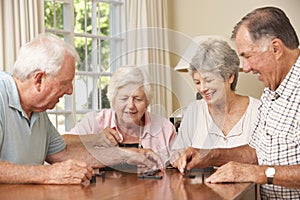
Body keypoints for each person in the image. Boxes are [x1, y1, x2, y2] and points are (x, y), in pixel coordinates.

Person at [171, 6, 300, 199]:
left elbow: (258, 167)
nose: (245, 68)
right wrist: (209, 156)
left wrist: (256, 173)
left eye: (248, 56)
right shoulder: (270, 92)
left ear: (276, 48)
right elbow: (257, 151)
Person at [0, 34, 163, 184]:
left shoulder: (38, 112)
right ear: (39, 79)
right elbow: (52, 169)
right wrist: (47, 174)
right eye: (64, 84)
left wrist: (127, 155)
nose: (70, 91)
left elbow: (63, 154)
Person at [170, 38, 260, 163]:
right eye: (197, 82)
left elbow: (267, 158)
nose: (202, 88)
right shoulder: (194, 111)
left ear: (230, 77)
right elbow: (176, 152)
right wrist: (178, 158)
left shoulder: (259, 111)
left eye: (209, 80)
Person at [69, 65, 176, 165]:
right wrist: (95, 139)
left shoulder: (165, 128)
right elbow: (62, 146)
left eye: (138, 99)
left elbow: (178, 165)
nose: (130, 106)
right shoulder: (93, 122)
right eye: (124, 98)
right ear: (113, 100)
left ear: (147, 102)